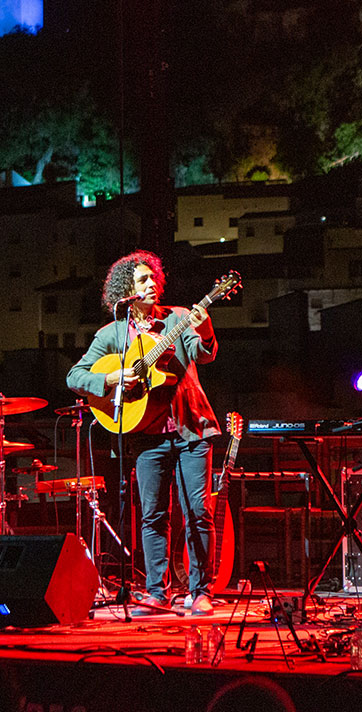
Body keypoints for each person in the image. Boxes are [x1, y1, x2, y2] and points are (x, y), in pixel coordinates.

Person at [66, 250, 221, 616]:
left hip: (191, 429)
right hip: (146, 434)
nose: (152, 285)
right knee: (152, 514)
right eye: (142, 281)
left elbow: (204, 354)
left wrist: (206, 330)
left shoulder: (179, 319)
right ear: (126, 290)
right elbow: (75, 376)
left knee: (198, 511)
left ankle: (200, 590)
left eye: (154, 279)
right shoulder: (112, 334)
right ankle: (157, 592)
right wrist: (112, 377)